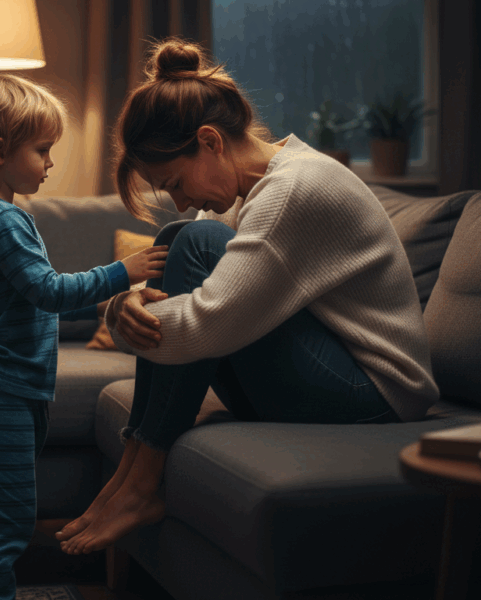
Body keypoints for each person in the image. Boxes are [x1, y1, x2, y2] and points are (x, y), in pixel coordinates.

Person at [56, 38, 440, 556]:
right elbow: (183, 288)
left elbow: (209, 322)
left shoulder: (295, 188)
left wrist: (128, 323)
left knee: (194, 238)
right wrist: (127, 305)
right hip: (321, 378)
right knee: (180, 238)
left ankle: (142, 480)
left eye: (175, 182)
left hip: (376, 395)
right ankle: (132, 471)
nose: (181, 200)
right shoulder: (249, 191)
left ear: (210, 141)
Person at [0, 73, 169, 600]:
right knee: (5, 520)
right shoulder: (1, 221)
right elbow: (48, 290)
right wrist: (123, 272)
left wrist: (111, 298)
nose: (49, 162)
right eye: (42, 150)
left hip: (1, 389)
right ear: (0, 151)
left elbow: (32, 297)